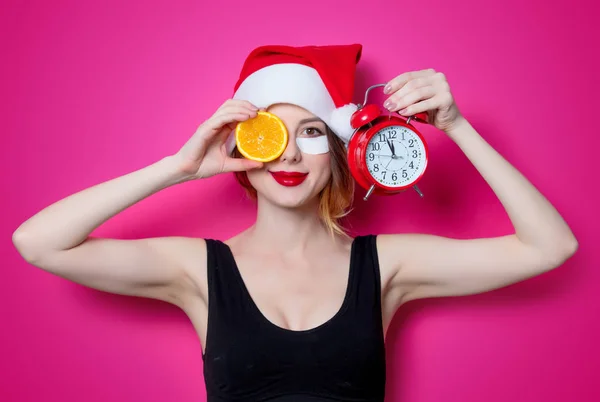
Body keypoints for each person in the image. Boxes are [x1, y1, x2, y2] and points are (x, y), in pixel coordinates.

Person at [12, 44, 578, 401]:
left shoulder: (386, 265)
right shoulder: (197, 269)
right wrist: (177, 169)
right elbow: (38, 242)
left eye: (309, 133)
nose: (286, 157)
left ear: (335, 150)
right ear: (241, 152)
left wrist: (455, 125)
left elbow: (549, 247)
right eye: (268, 135)